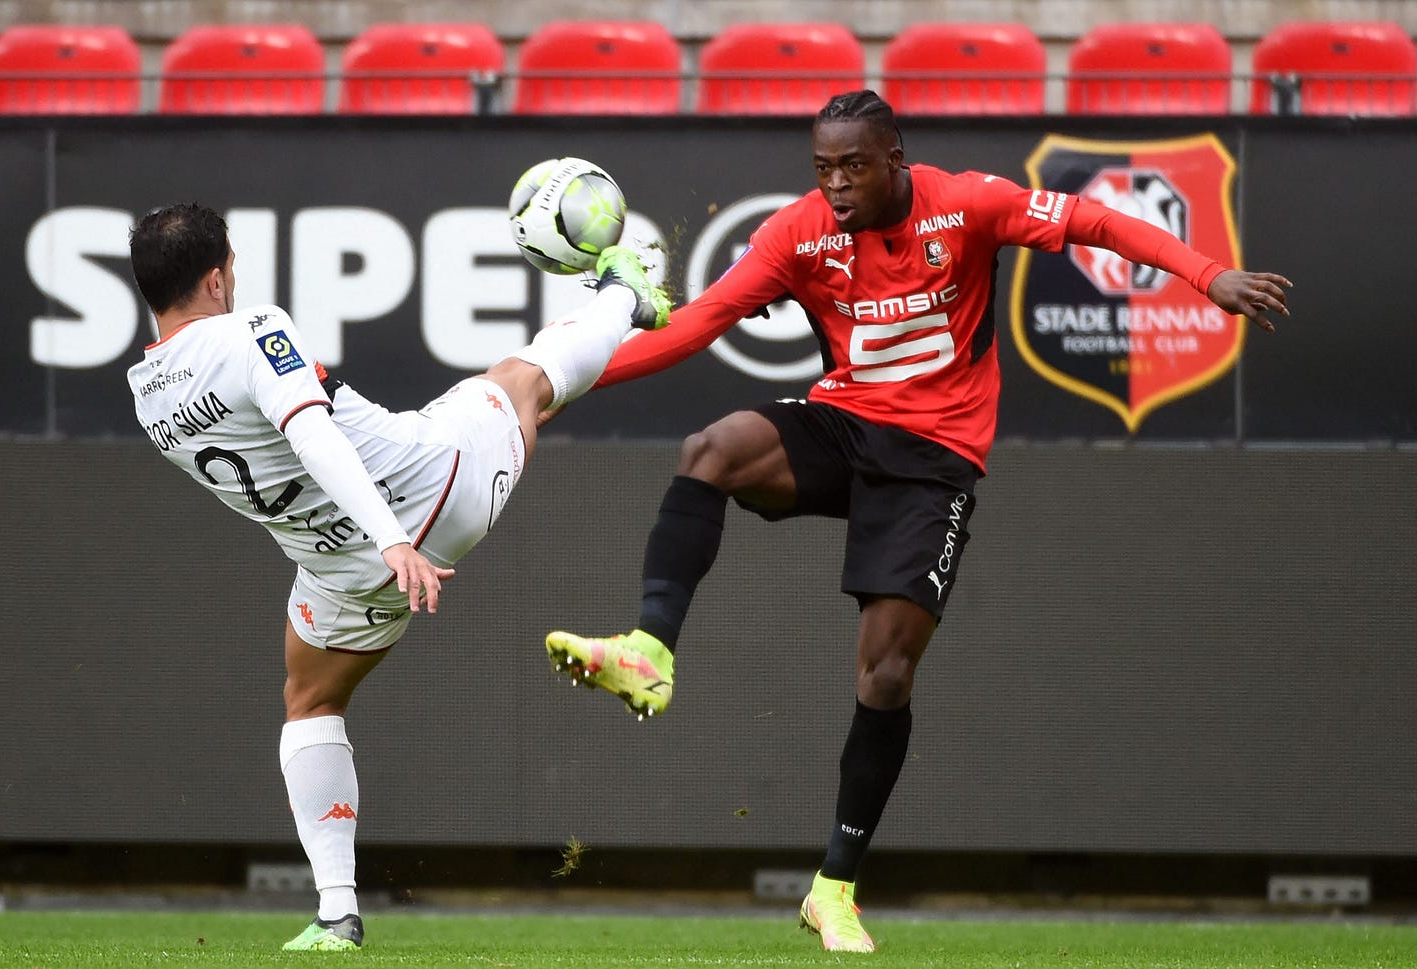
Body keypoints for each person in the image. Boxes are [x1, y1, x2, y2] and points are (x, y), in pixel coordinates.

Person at [543, 90, 1291, 953]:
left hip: (935, 460)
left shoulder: (968, 203)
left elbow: (1095, 220)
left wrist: (1206, 274)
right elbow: (699, 322)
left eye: (852, 166)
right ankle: (650, 650)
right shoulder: (798, 233)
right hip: (845, 422)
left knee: (886, 675)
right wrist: (555, 382)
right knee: (710, 449)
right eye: (822, 168)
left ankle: (833, 889)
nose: (835, 185)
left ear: (895, 158)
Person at [126, 202, 671, 951]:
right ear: (217, 278)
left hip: (338, 569)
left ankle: (336, 912)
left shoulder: (147, 394)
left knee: (310, 701)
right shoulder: (250, 330)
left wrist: (374, 549)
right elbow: (311, 433)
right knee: (520, 384)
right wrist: (393, 539)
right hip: (430, 489)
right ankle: (624, 299)